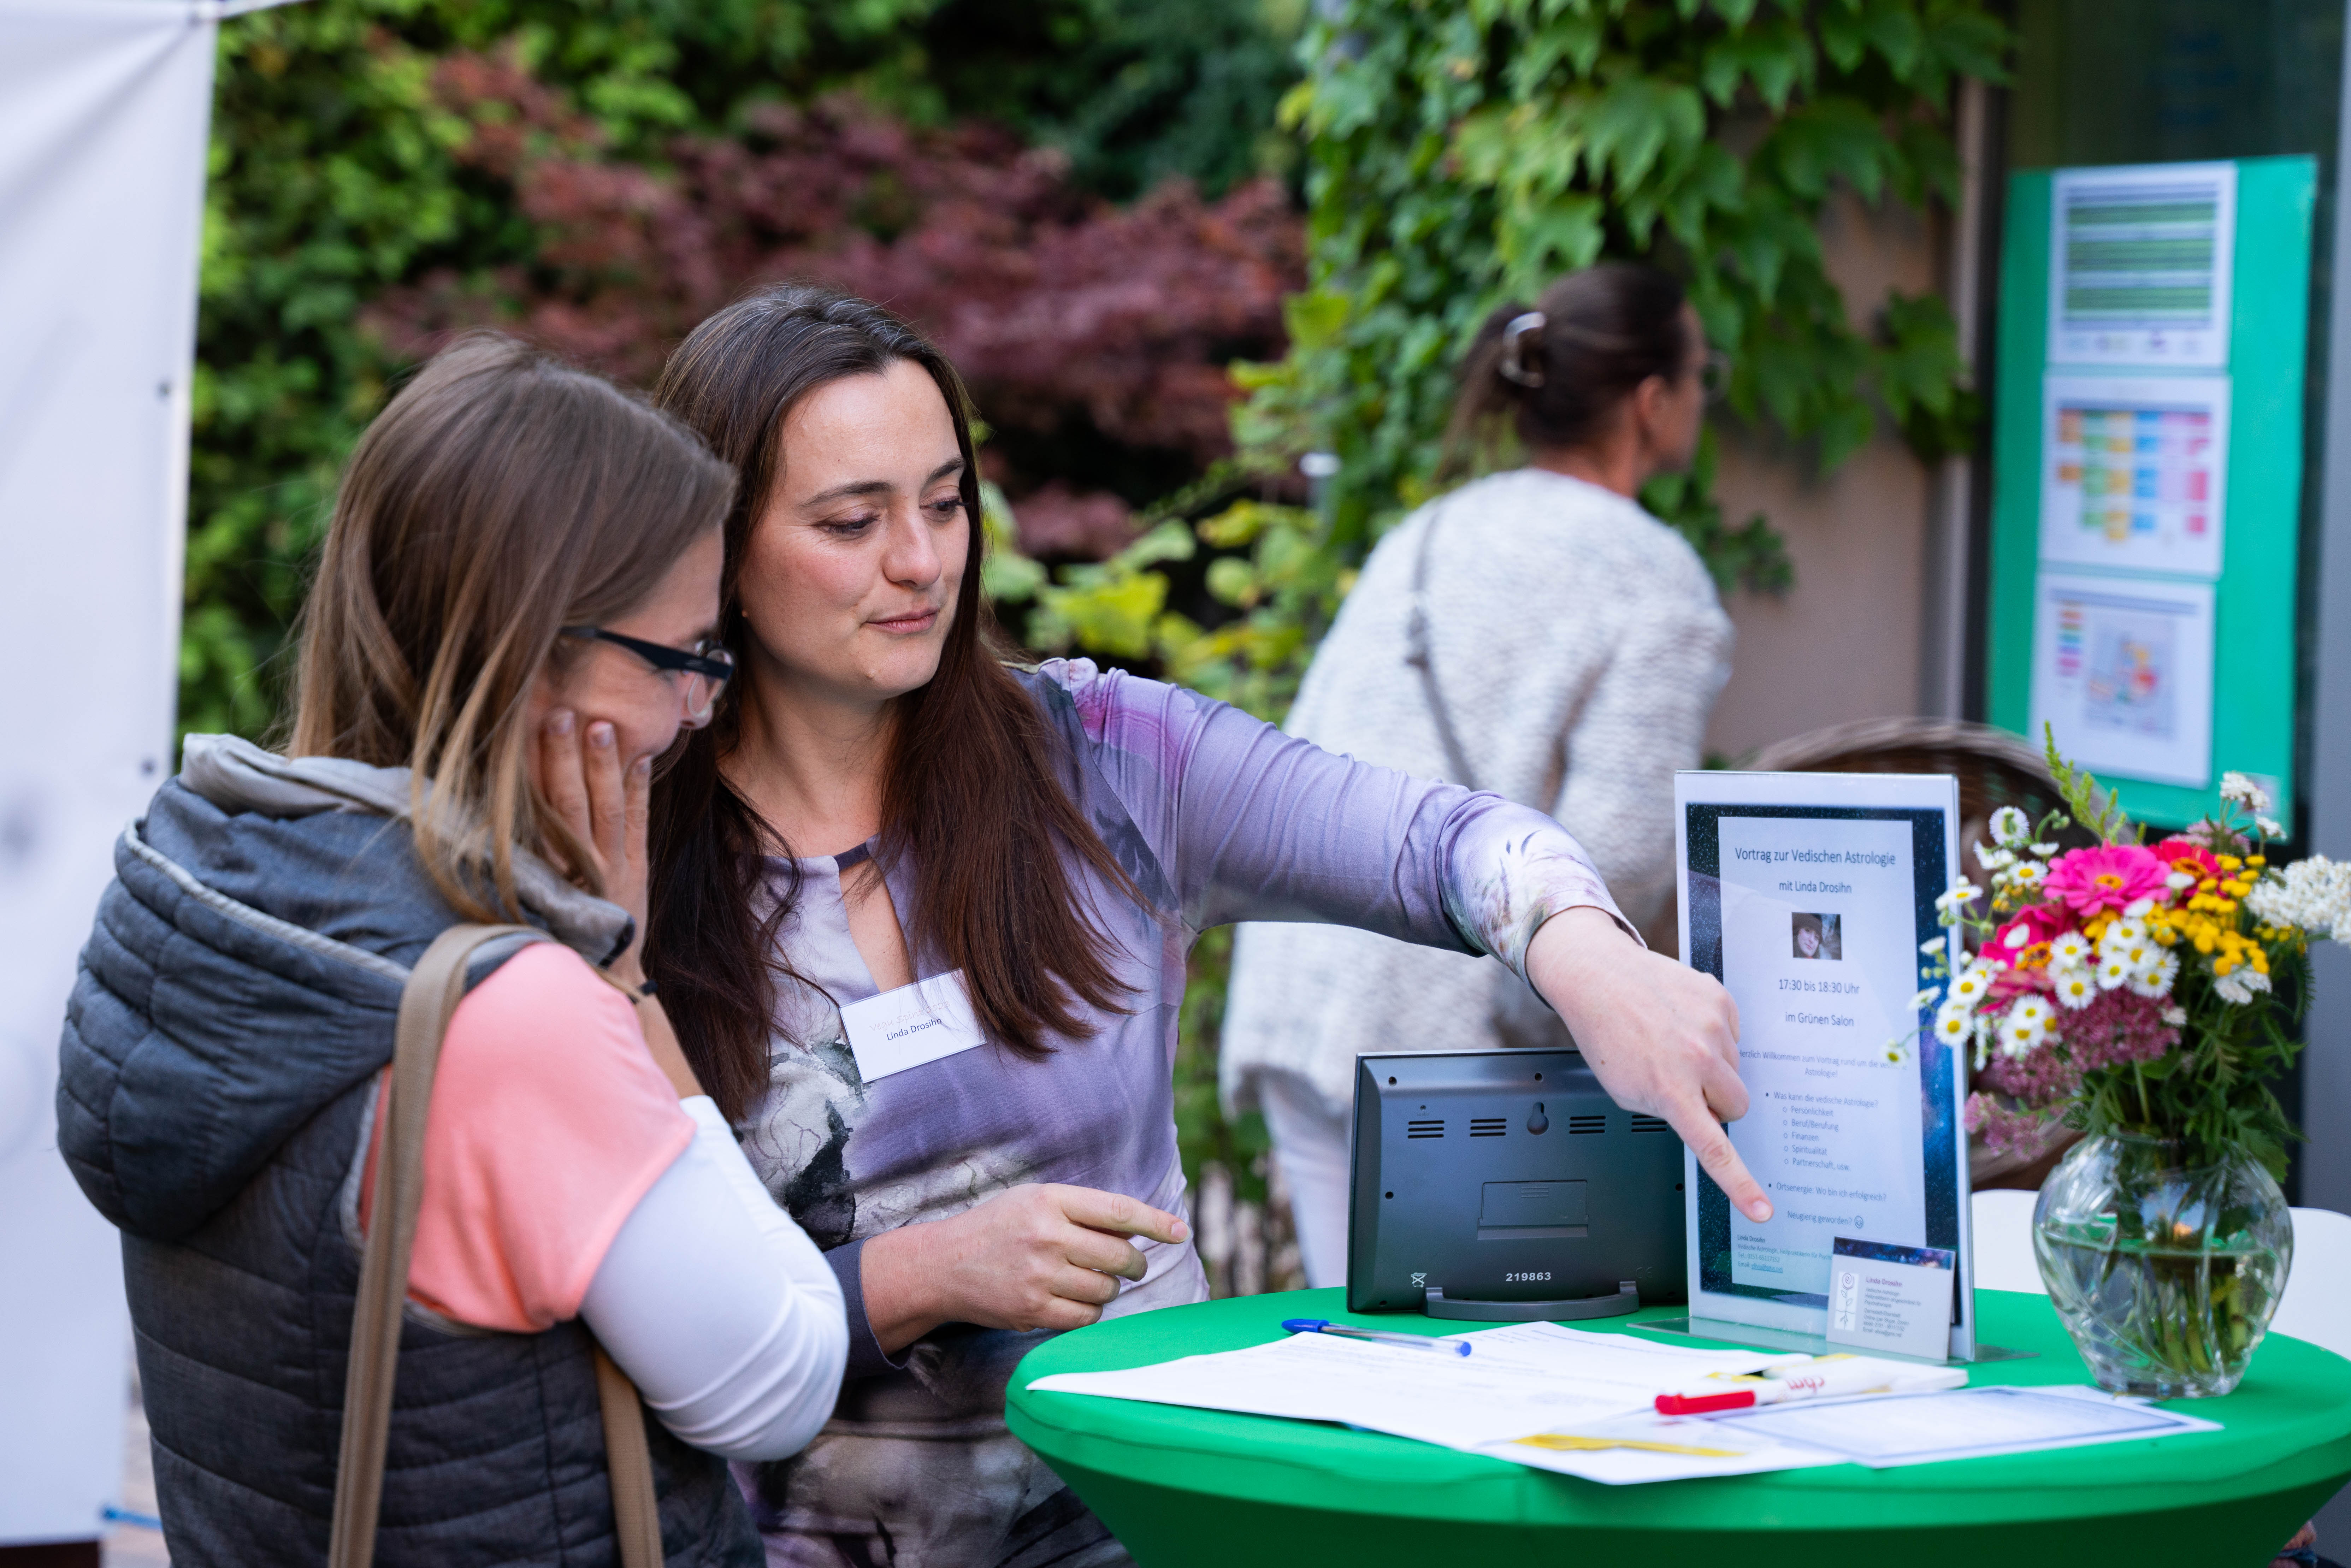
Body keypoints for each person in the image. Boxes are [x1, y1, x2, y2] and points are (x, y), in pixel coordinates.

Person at [644, 284, 1768, 1568]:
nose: (922, 561)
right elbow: (665, 1330)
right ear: (720, 545)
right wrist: (922, 1275)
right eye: (853, 521)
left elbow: (1445, 841)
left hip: (1151, 1524)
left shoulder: (1105, 758)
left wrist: (1587, 953)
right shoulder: (630, 858)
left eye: (947, 503)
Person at [56, 337, 849, 1566]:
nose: (703, 707)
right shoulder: (519, 1012)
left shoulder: (189, 900)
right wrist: (625, 984)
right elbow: (777, 1388)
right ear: (535, 658)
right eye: (685, 658)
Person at [1219, 262, 1738, 1288]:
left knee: (1362, 1352)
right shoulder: (1656, 576)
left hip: (1303, 987)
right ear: (1652, 402)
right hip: (1447, 1052)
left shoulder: (1433, 528)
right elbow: (1621, 855)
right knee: (1461, 1380)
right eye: (1700, 376)